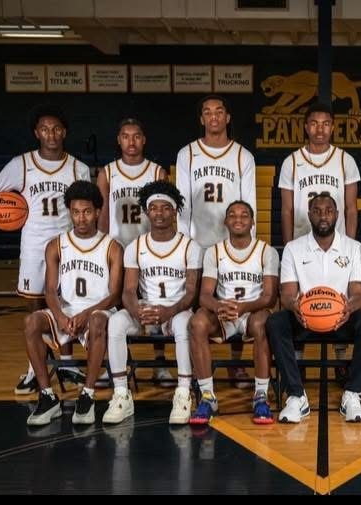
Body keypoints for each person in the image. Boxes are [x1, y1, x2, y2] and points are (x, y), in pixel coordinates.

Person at [0, 104, 91, 395]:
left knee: (65, 305)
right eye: (45, 129)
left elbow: (88, 208)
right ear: (37, 133)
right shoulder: (20, 164)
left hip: (68, 248)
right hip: (34, 248)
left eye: (57, 128)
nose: (51, 134)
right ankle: (33, 369)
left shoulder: (78, 168)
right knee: (34, 308)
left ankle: (68, 362)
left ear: (65, 132)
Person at [266, 193, 361, 423]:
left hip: (340, 319)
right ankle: (296, 396)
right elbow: (286, 294)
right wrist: (294, 305)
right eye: (317, 211)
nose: (323, 216)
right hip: (304, 318)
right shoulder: (293, 248)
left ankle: (353, 394)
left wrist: (348, 309)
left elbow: (358, 294)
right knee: (275, 322)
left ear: (337, 215)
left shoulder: (354, 247)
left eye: (328, 211)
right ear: (309, 215)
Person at [103, 181, 203, 425]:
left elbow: (191, 292)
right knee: (115, 323)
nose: (160, 213)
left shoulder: (190, 246)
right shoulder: (135, 246)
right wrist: (136, 310)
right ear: (146, 212)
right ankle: (121, 394)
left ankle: (182, 392)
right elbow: (128, 291)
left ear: (175, 211)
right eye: (154, 208)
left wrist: (168, 311)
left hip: (177, 310)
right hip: (146, 311)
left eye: (166, 208)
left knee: (182, 326)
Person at [24, 181, 123, 425]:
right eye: (76, 212)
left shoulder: (112, 247)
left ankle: (87, 395)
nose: (81, 218)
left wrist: (88, 314)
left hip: (98, 311)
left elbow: (114, 295)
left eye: (87, 212)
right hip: (67, 311)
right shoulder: (56, 245)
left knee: (99, 320)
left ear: (98, 212)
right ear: (70, 211)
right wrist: (59, 316)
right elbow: (49, 290)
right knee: (31, 323)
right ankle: (48, 397)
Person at [175, 95, 257, 387]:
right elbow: (182, 205)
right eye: (207, 112)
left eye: (219, 111)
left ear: (227, 117)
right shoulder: (186, 154)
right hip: (198, 243)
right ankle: (197, 368)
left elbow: (249, 205)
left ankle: (236, 365)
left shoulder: (242, 156)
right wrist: (183, 246)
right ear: (201, 119)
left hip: (231, 242)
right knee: (199, 307)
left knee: (235, 297)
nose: (213, 117)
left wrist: (248, 247)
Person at [278, 102, 361, 368]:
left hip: (335, 243)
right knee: (301, 303)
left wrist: (348, 243)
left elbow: (350, 207)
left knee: (336, 299)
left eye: (325, 123)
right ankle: (298, 363)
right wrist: (289, 243)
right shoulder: (291, 161)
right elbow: (288, 208)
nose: (320, 129)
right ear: (305, 126)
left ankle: (340, 362)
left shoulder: (344, 159)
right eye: (314, 123)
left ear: (333, 127)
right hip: (303, 244)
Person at [188, 200, 280, 425]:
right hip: (223, 314)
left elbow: (269, 297)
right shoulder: (214, 251)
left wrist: (244, 307)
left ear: (252, 222)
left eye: (244, 215)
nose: (238, 219)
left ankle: (260, 396)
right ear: (226, 221)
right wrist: (219, 306)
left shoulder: (266, 252)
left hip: (252, 313)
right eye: (233, 215)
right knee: (197, 323)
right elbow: (205, 296)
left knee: (263, 324)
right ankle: (208, 397)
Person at [97, 118, 172, 385]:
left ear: (144, 140)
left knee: (154, 304)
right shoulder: (107, 172)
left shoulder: (156, 172)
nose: (131, 141)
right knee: (118, 306)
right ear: (119, 140)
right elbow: (103, 214)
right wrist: (103, 249)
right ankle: (118, 362)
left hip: (150, 250)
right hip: (118, 248)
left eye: (136, 136)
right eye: (125, 136)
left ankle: (160, 363)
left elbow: (166, 212)